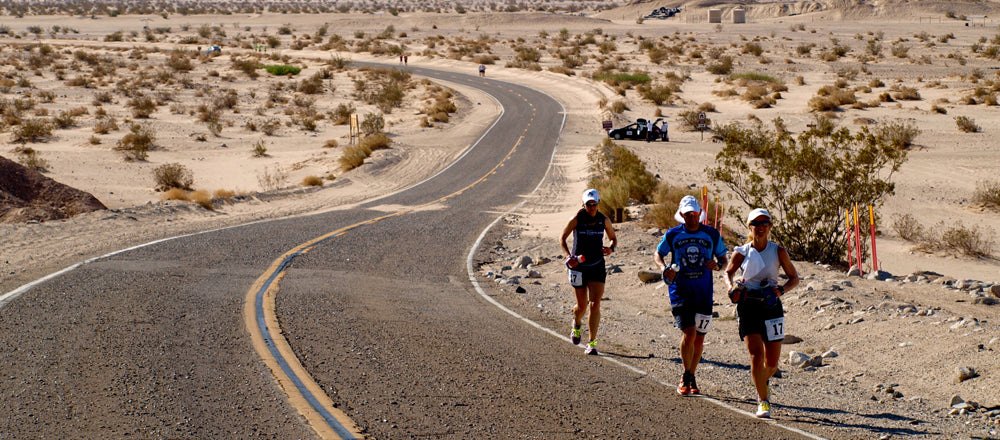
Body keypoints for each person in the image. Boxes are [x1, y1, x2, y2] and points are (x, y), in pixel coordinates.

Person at [724, 208, 799, 418]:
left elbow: (794, 278)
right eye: (756, 223)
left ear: (770, 227)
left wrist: (781, 290)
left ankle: (761, 382)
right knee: (756, 355)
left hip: (771, 307)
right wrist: (732, 288)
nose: (760, 227)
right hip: (748, 306)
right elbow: (728, 273)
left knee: (772, 363)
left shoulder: (778, 251)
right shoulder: (742, 251)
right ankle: (763, 400)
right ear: (750, 227)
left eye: (765, 223)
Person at [655, 195, 727, 396]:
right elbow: (658, 253)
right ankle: (686, 375)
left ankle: (691, 376)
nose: (691, 218)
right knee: (689, 333)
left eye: (694, 214)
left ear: (699, 214)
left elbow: (724, 259)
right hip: (680, 291)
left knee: (699, 339)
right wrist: (664, 268)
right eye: (687, 215)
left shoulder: (711, 235)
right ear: (682, 215)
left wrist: (718, 265)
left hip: (704, 293)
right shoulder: (673, 235)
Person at [560, 188, 617, 355]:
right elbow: (562, 238)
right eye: (588, 205)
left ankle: (592, 342)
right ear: (583, 205)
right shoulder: (577, 219)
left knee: (595, 303)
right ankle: (576, 323)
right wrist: (568, 256)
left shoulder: (603, 220)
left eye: (594, 204)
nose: (591, 208)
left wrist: (611, 249)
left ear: (598, 204)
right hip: (578, 266)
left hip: (597, 265)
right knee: (582, 306)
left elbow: (613, 238)